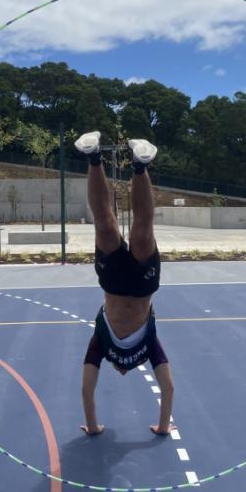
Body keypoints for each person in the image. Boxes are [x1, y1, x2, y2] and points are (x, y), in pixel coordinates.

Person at [74, 131, 176, 437]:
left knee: (105, 226)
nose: (121, 371)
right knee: (143, 231)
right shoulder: (148, 348)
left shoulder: (101, 344)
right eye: (123, 370)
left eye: (119, 370)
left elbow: (86, 389)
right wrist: (162, 426)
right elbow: (168, 388)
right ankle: (140, 165)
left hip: (113, 284)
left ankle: (93, 158)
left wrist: (93, 426)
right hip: (144, 289)